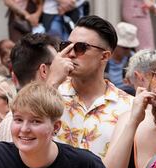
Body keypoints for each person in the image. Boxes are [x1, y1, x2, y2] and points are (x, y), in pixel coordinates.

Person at [55, 15, 133, 159]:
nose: (71, 54)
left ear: (104, 56)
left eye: (80, 47)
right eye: (66, 46)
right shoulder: (51, 94)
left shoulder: (129, 107)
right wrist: (52, 82)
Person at [105, 22, 139, 91]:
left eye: (130, 47)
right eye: (125, 48)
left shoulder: (134, 59)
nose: (128, 51)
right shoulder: (104, 57)